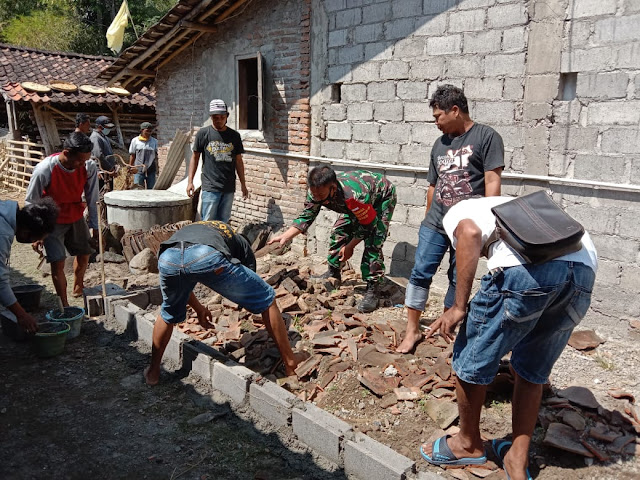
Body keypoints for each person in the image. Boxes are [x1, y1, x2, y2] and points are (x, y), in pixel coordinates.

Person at [419, 196, 597, 480]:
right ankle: (517, 456)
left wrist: (458, 307)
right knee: (531, 369)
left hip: (526, 270)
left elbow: (470, 234)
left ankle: (468, 445)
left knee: (470, 359)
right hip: (583, 271)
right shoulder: (513, 205)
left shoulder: (457, 212)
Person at [397, 84, 504, 353]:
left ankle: (447, 331)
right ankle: (412, 331)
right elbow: (433, 186)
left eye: (438, 117)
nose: (436, 123)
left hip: (465, 227)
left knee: (458, 280)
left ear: (455, 110)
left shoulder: (487, 137)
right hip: (436, 223)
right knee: (420, 273)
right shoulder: (439, 144)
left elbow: (492, 181)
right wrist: (426, 220)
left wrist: (488, 229)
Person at [144, 220, 306, 385]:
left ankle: (153, 372)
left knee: (168, 313)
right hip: (205, 254)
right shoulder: (242, 245)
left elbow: (184, 279)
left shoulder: (207, 227)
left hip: (168, 256)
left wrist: (199, 309)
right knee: (267, 299)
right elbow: (249, 277)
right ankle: (290, 363)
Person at [269, 166, 396, 313]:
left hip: (381, 197)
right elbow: (307, 215)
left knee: (373, 241)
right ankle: (333, 272)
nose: (315, 197)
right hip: (355, 204)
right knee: (339, 230)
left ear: (333, 188)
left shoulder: (354, 196)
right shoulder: (317, 191)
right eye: (313, 194)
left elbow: (367, 226)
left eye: (320, 195)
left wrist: (350, 247)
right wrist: (286, 236)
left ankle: (373, 290)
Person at [25, 132, 99, 307]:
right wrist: (36, 233)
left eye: (86, 159)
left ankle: (78, 287)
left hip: (75, 214)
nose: (83, 164)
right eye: (80, 160)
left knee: (85, 253)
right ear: (66, 153)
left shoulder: (89, 167)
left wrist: (95, 226)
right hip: (51, 219)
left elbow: (92, 196)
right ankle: (64, 305)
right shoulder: (45, 169)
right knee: (57, 261)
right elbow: (31, 202)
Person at [0, 198, 59, 334]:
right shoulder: (2, 233)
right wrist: (22, 315)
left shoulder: (6, 212)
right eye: (34, 239)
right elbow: (0, 280)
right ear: (26, 231)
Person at [187, 99, 248, 223]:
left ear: (226, 117)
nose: (219, 120)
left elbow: (238, 161)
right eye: (215, 117)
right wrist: (190, 182)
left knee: (223, 222)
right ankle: (206, 242)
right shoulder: (203, 134)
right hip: (211, 186)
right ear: (211, 117)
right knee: (208, 220)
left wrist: (243, 184)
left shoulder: (234, 136)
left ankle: (219, 242)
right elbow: (195, 157)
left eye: (222, 117)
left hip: (229, 186)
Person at [90, 115, 116, 190]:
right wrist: (110, 168)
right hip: (101, 171)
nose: (109, 129)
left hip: (107, 170)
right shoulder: (95, 137)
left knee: (109, 192)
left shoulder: (103, 136)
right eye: (107, 127)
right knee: (101, 192)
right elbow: (99, 155)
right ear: (100, 127)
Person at [129, 121, 158, 189]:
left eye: (150, 131)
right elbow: (132, 154)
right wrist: (130, 166)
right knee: (138, 189)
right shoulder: (135, 141)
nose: (149, 133)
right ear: (141, 130)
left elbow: (157, 155)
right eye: (147, 131)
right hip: (138, 170)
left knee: (151, 190)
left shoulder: (154, 141)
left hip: (151, 170)